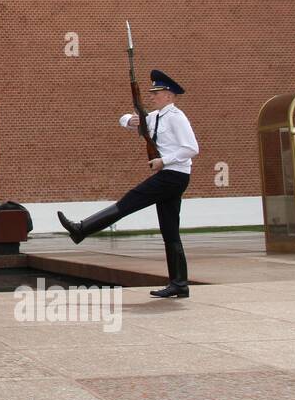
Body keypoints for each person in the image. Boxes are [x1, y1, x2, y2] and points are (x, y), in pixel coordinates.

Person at [57, 70, 198, 298]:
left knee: (129, 202)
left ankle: (82, 229)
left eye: (157, 93)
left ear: (169, 96)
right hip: (171, 177)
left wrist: (164, 160)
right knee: (169, 230)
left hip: (173, 175)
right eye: (152, 93)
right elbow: (127, 121)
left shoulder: (176, 117)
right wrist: (130, 119)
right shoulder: (156, 116)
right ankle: (179, 283)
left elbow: (192, 148)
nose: (153, 96)